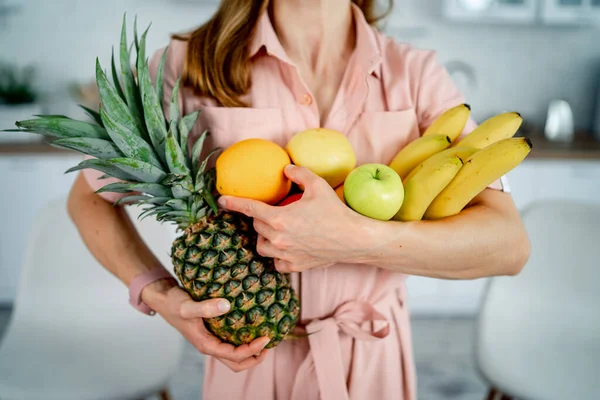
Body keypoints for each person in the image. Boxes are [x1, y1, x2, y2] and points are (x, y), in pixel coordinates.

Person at [66, 0, 531, 399]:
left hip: (373, 362)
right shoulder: (188, 64)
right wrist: (158, 293)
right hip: (248, 360)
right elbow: (87, 198)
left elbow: (508, 245)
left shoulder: (415, 74)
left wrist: (356, 240)